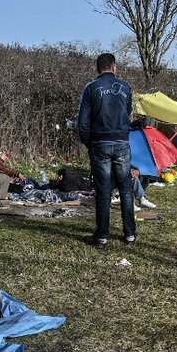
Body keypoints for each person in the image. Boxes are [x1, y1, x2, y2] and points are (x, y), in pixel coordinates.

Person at [77, 52, 136, 247]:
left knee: (103, 191)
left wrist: (89, 142)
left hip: (100, 143)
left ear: (97, 68)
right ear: (114, 67)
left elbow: (83, 122)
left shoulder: (91, 88)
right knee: (126, 188)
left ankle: (102, 236)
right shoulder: (126, 88)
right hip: (121, 142)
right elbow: (127, 113)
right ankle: (129, 234)